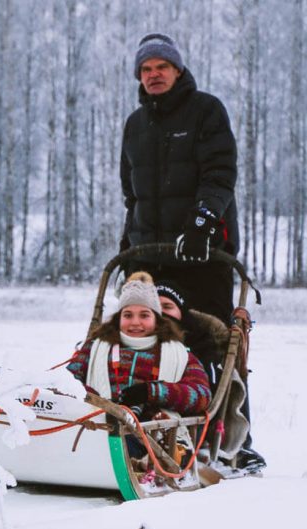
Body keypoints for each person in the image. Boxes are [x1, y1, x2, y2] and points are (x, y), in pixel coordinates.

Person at [119, 33, 239, 326]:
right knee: (144, 344)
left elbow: (219, 176)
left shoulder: (206, 110)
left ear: (178, 70)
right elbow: (132, 196)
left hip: (201, 255)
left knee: (208, 339)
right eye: (146, 69)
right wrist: (127, 247)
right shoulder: (135, 125)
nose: (154, 74)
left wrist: (201, 223)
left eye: (162, 66)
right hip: (148, 261)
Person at [67, 272, 211, 420]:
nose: (135, 322)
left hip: (153, 432)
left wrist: (151, 392)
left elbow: (201, 395)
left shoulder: (180, 355)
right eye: (128, 315)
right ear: (119, 318)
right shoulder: (95, 347)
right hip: (98, 424)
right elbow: (68, 382)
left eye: (144, 315)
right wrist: (94, 398)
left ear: (157, 320)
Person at [156, 280, 266, 473]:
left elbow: (205, 394)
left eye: (167, 306)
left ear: (182, 312)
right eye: (155, 307)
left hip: (186, 416)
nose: (161, 313)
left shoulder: (201, 347)